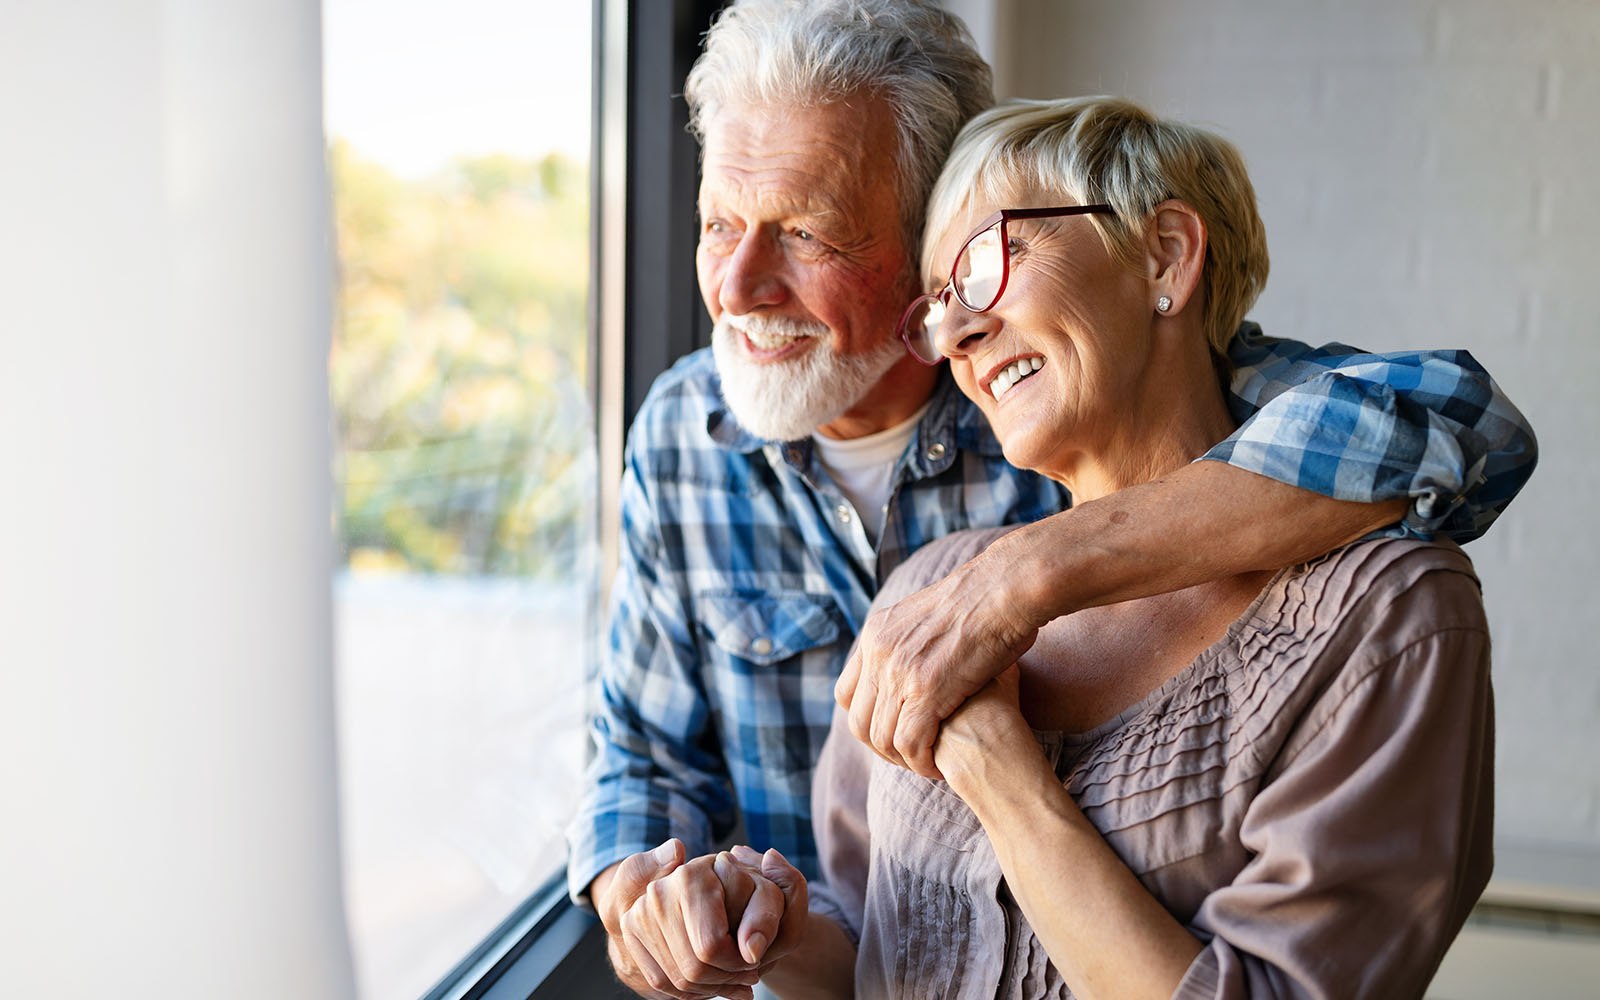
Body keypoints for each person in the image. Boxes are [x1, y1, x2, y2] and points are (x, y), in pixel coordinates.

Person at [563, 3, 1533, 997]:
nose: (735, 284)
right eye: (718, 223)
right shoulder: (684, 425)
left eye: (806, 231)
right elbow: (657, 763)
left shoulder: (1077, 399)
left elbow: (1458, 427)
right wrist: (653, 899)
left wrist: (1030, 571)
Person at [793, 94, 1496, 998]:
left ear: (1165, 253)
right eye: (938, 309)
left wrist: (1001, 776)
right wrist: (765, 934)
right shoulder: (933, 589)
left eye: (986, 263)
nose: (959, 335)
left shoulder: (1388, 617)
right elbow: (865, 939)